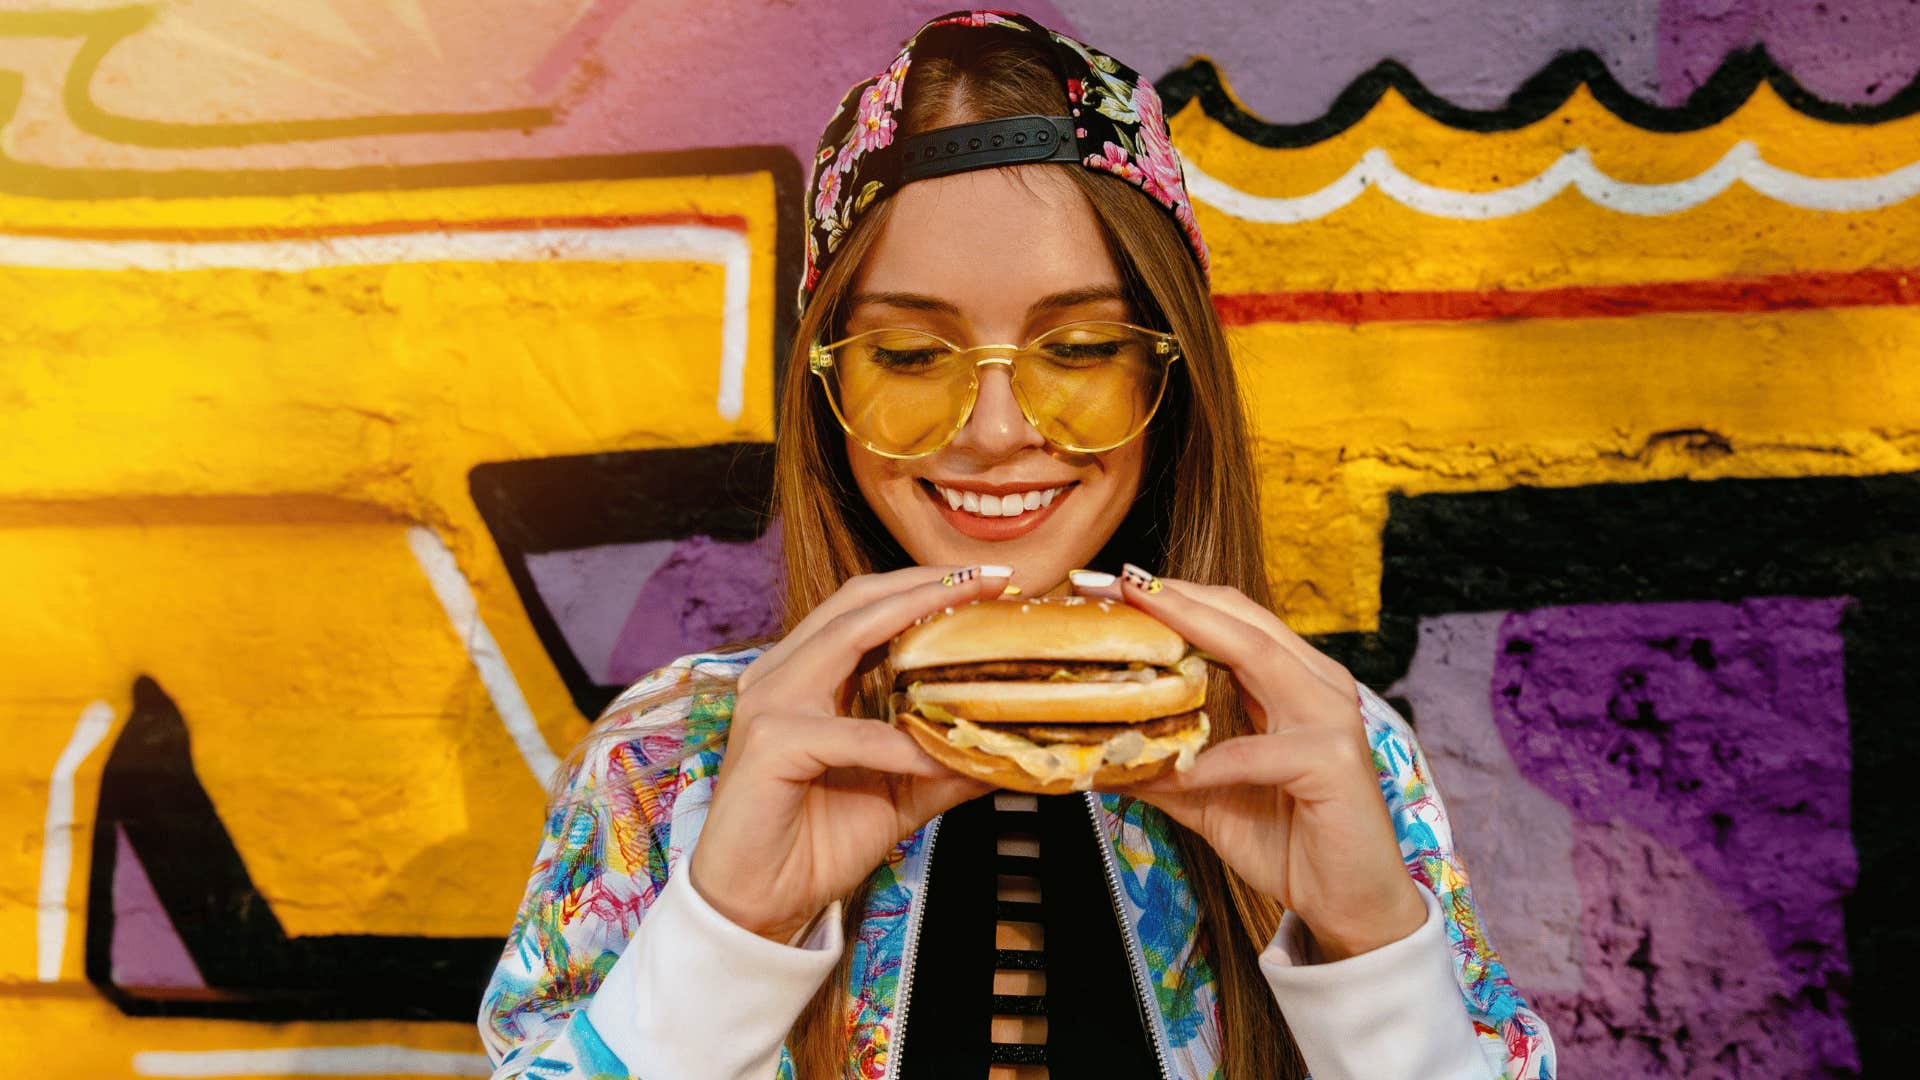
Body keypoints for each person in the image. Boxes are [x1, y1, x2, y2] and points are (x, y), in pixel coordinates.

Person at [478, 10, 1555, 1080]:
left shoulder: (1321, 755)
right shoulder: (669, 762)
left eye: (1079, 347)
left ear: (1167, 378)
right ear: (830, 386)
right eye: (908, 354)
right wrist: (728, 934)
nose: (997, 432)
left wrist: (1372, 953)